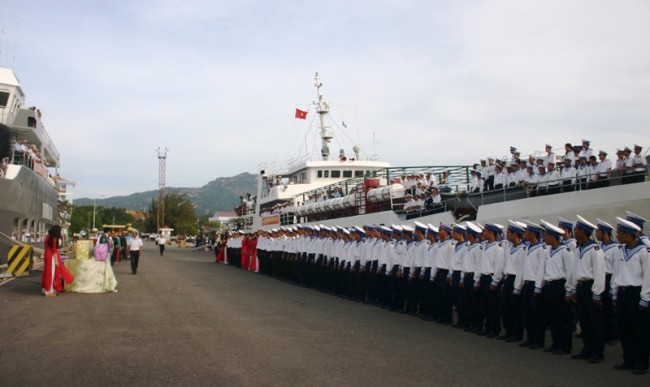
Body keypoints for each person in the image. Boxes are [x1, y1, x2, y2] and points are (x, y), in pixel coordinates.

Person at [611, 217, 650, 375]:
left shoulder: (644, 251)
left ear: (629, 235)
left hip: (636, 293)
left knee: (640, 330)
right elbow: (617, 272)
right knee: (625, 329)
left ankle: (641, 362)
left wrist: (645, 298)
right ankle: (629, 359)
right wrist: (614, 292)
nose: (617, 236)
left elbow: (648, 276)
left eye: (620, 233)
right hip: (623, 292)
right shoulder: (621, 250)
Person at [42, 225, 63, 297]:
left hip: (47, 254)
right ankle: (49, 291)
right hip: (51, 256)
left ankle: (46, 289)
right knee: (51, 273)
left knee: (47, 272)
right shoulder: (54, 238)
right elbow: (54, 250)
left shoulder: (48, 237)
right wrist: (57, 261)